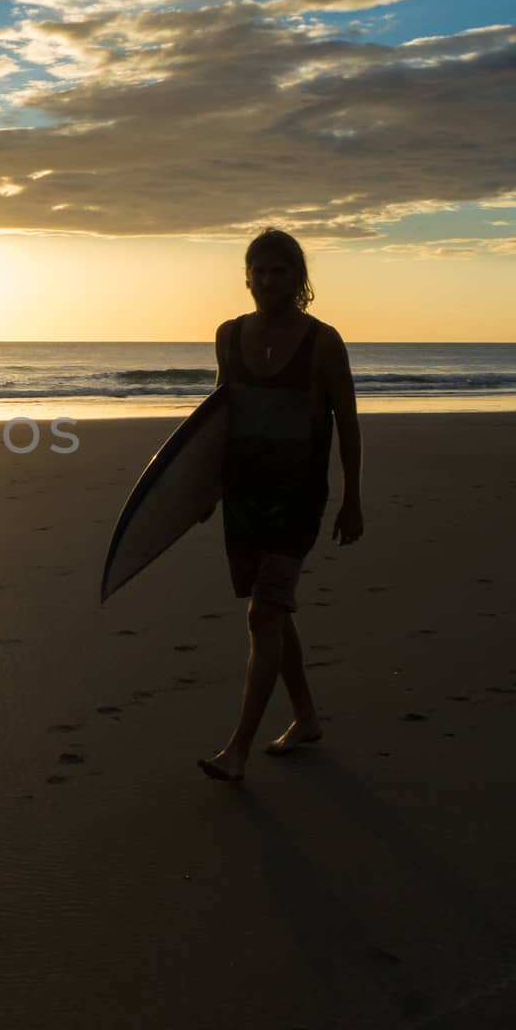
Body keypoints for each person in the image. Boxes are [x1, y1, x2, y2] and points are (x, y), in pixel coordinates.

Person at [197, 227, 363, 783]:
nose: (268, 281)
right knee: (274, 611)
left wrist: (352, 498)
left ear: (300, 278)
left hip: (297, 497)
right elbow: (220, 416)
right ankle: (308, 720)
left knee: (264, 612)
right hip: (242, 494)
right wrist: (200, 489)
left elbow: (348, 423)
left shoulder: (323, 342)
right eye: (259, 271)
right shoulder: (228, 336)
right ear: (247, 276)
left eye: (280, 271)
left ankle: (237, 749)